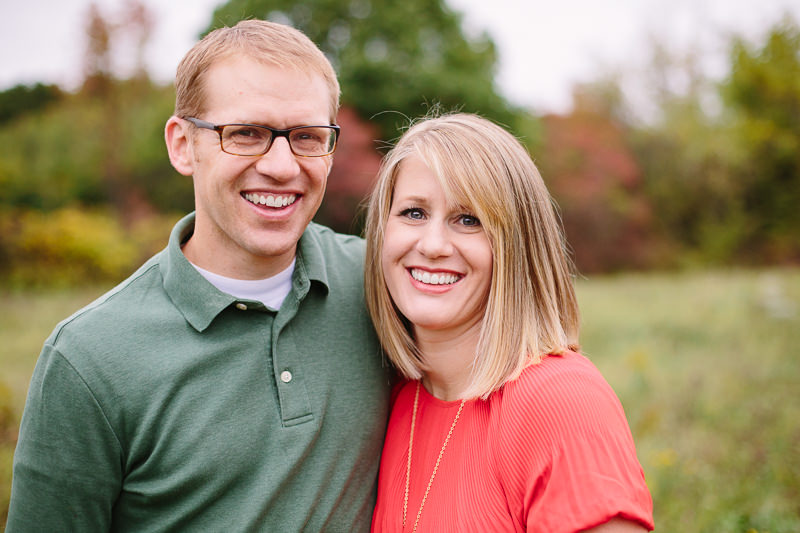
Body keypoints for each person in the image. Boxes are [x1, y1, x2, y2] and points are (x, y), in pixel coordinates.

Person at [7, 20, 391, 531]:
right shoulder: (88, 359)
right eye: (247, 134)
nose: (281, 165)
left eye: (306, 137)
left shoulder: (382, 285)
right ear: (183, 145)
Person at [365, 113, 654, 532]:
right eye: (413, 213)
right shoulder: (394, 398)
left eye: (469, 220)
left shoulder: (560, 401)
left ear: (517, 245)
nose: (431, 245)